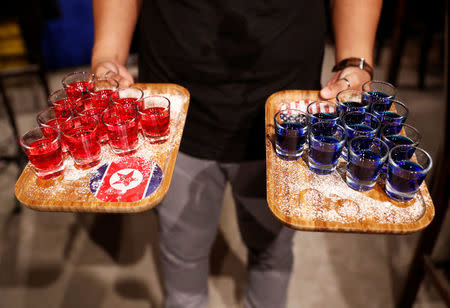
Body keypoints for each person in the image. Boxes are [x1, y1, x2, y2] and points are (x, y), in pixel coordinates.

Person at [91, 0, 383, 307]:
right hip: (171, 110)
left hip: (284, 115)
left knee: (271, 253)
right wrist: (108, 56)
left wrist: (355, 61)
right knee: (182, 259)